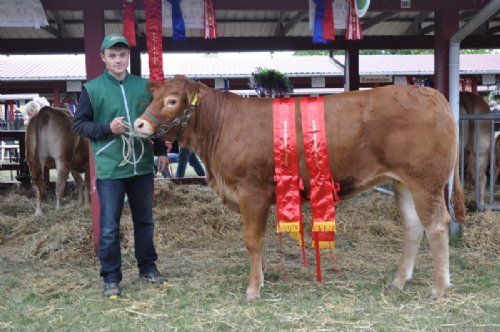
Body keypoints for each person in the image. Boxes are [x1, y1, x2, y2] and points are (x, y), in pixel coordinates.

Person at [73, 33, 168, 299]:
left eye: (122, 55)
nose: (118, 60)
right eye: (112, 55)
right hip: (111, 167)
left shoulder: (144, 86)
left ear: (128, 57)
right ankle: (111, 278)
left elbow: (155, 121)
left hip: (141, 166)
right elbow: (79, 125)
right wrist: (107, 128)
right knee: (109, 227)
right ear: (103, 57)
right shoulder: (92, 89)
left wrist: (160, 150)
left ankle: (148, 269)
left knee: (145, 222)